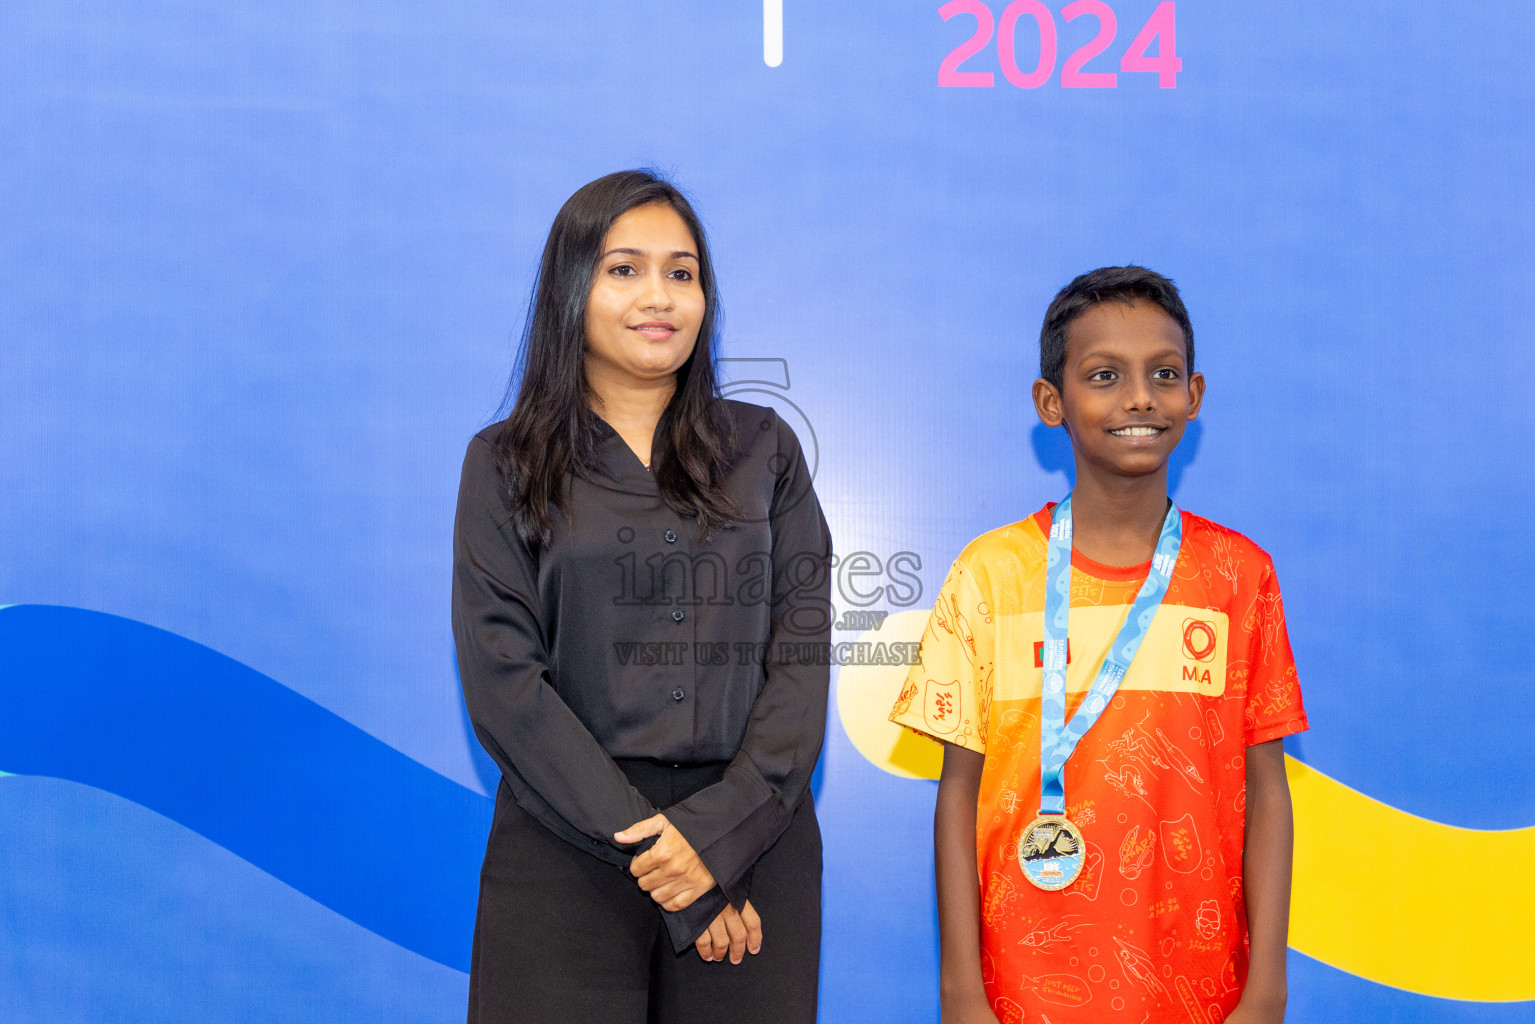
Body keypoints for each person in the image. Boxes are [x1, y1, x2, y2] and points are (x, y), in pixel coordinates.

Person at [452, 170, 831, 1024]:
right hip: (565, 845)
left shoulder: (765, 449)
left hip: (752, 843)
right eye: (625, 269)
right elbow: (507, 689)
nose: (659, 296)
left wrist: (716, 841)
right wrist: (675, 868)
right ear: (571, 289)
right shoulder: (504, 463)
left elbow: (800, 663)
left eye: (682, 272)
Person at [890, 266, 1308, 1024]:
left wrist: (1267, 986)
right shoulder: (991, 576)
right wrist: (961, 990)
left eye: (1164, 374)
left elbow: (1268, 791)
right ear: (1052, 402)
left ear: (1196, 395)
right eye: (1105, 375)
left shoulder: (1239, 576)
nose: (1140, 397)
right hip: (1020, 985)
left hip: (1204, 988)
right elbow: (958, 793)